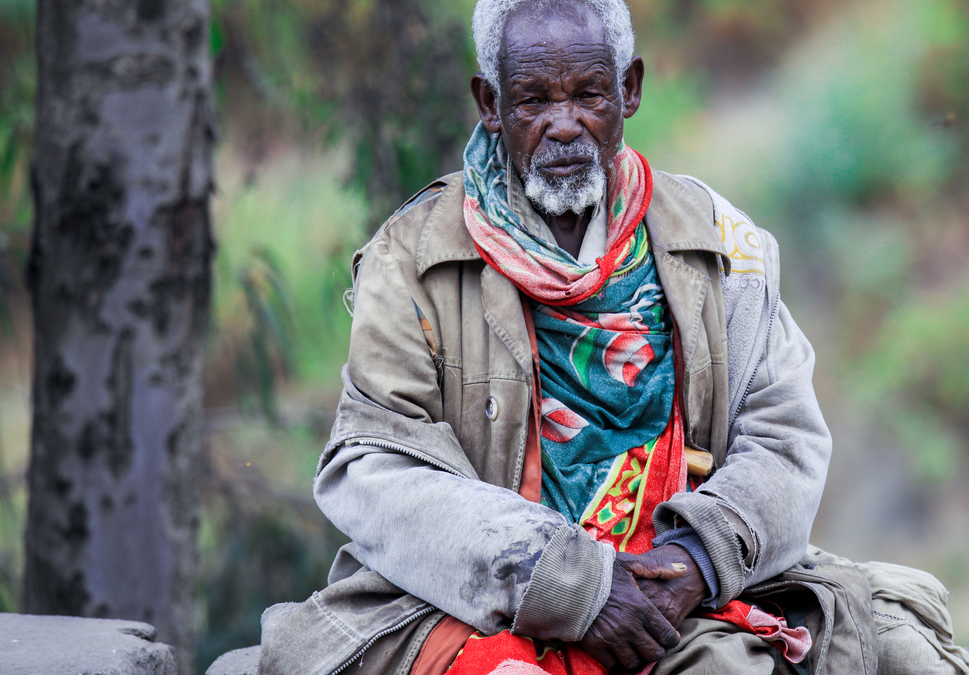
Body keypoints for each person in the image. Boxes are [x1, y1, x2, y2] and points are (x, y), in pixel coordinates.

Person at [259, 1, 837, 673]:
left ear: (631, 89)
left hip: (674, 602)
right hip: (471, 604)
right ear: (490, 103)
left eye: (588, 94)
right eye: (533, 100)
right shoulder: (410, 260)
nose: (564, 125)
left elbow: (785, 437)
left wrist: (696, 559)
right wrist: (570, 581)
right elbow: (372, 470)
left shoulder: (719, 244)